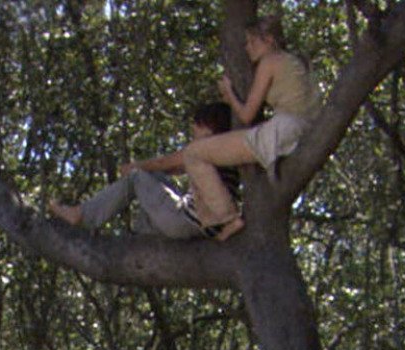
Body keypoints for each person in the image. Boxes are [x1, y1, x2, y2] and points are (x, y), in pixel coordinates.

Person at [49, 101, 244, 241]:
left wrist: (135, 167)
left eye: (196, 131)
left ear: (208, 128)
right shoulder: (226, 154)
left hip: (184, 220)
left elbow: (164, 163)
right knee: (154, 178)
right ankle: (143, 231)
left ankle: (83, 214)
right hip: (208, 226)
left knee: (137, 178)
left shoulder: (204, 148)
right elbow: (174, 168)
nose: (193, 138)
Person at [182, 15, 321, 189]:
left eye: (252, 42)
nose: (247, 48)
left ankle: (226, 216)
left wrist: (229, 92)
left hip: (283, 132)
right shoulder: (295, 62)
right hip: (304, 131)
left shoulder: (270, 61)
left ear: (269, 40)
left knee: (194, 153)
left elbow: (247, 115)